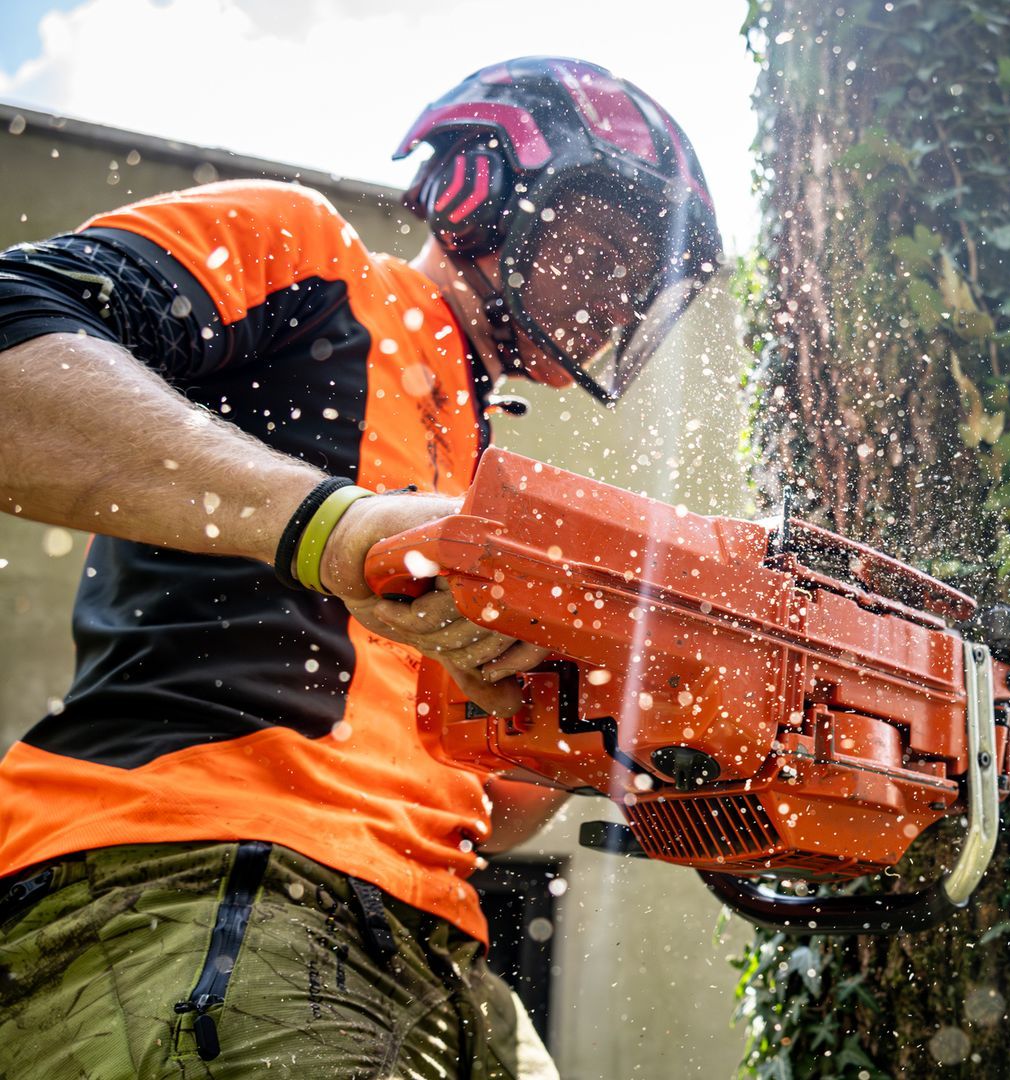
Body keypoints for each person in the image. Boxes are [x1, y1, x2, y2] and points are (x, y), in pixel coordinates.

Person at [0, 56, 720, 1077]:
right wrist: (328, 527)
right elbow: (13, 330)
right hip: (200, 868)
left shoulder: (487, 476)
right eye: (602, 250)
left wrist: (592, 729)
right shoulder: (311, 261)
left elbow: (467, 790)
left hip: (437, 939)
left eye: (642, 279)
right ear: (482, 186)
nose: (618, 298)